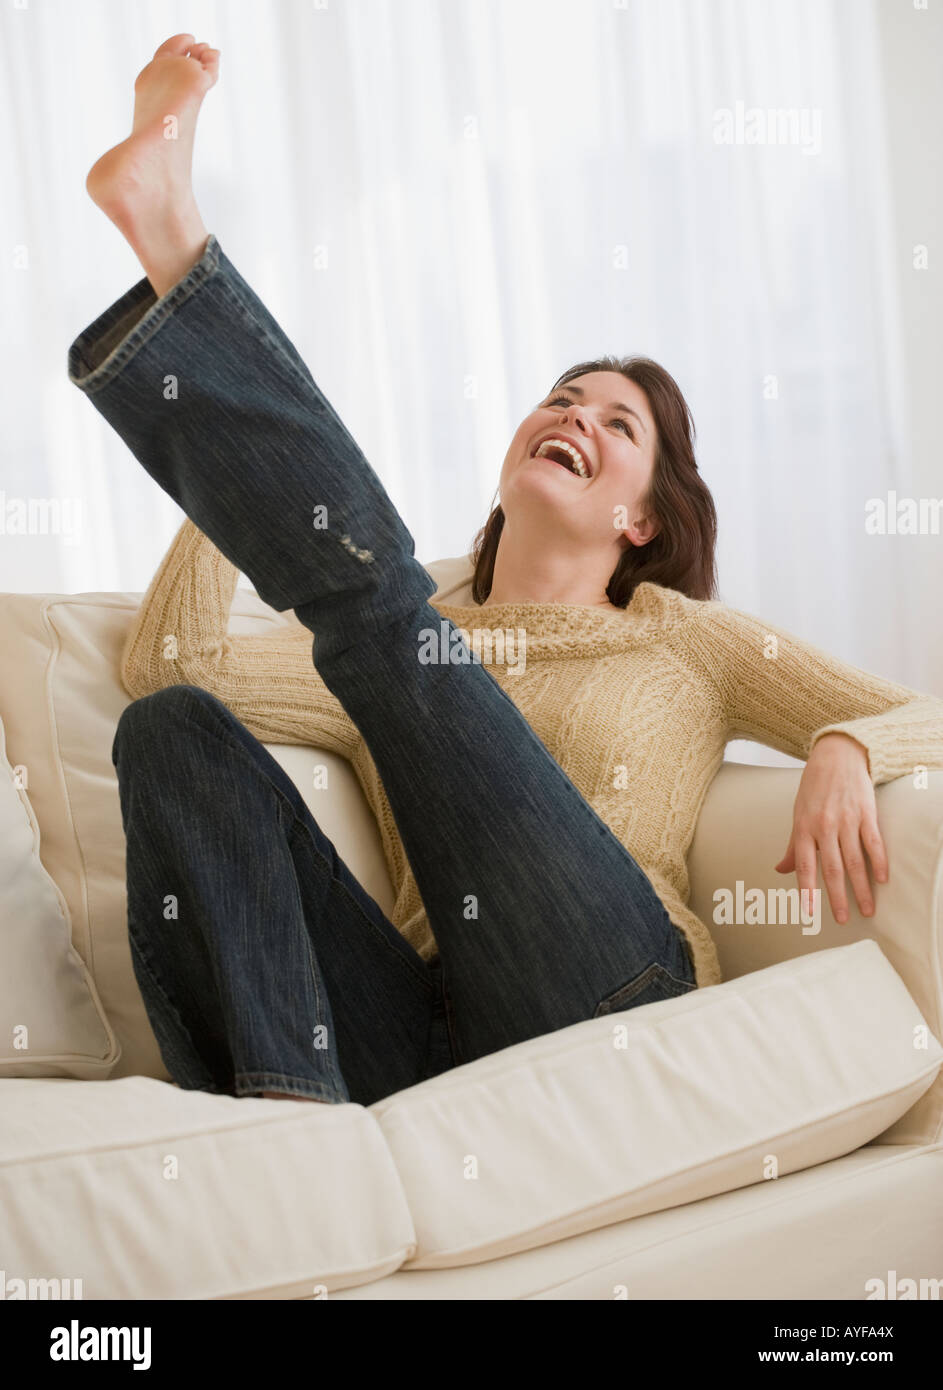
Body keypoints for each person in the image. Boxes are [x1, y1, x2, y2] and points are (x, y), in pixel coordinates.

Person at [69, 34, 943, 1108]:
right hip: (432, 1035)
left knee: (391, 624)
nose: (575, 412)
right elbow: (173, 666)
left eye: (615, 422)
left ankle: (172, 239)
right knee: (171, 734)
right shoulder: (410, 640)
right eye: (562, 397)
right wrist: (253, 485)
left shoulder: (682, 639)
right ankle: (289, 1129)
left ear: (640, 517)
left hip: (609, 986)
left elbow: (926, 715)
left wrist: (848, 742)